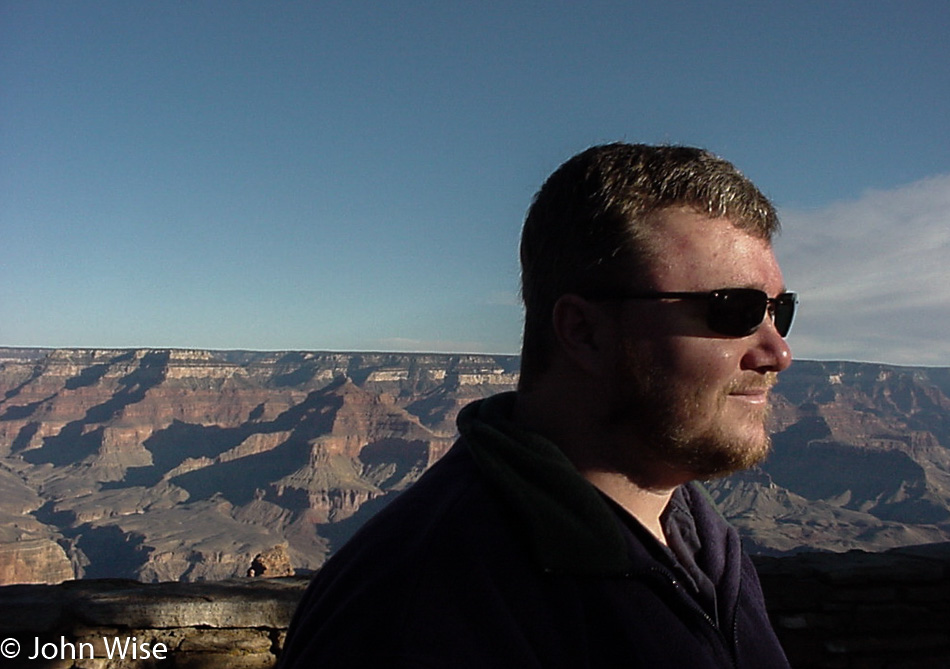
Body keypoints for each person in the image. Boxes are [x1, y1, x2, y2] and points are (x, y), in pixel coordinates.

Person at [278, 143, 794, 668]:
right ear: (584, 331)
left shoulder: (706, 545)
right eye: (737, 309)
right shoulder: (422, 612)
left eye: (780, 310)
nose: (779, 353)